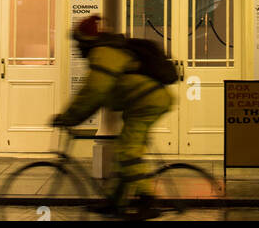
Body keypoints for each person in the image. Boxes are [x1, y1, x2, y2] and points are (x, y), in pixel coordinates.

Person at [52, 14, 174, 216]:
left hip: (146, 103)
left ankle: (148, 200)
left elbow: (94, 91)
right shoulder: (106, 51)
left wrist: (69, 118)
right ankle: (114, 202)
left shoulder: (103, 53)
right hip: (142, 103)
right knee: (122, 152)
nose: (76, 47)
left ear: (85, 41)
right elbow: (96, 93)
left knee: (129, 153)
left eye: (77, 42)